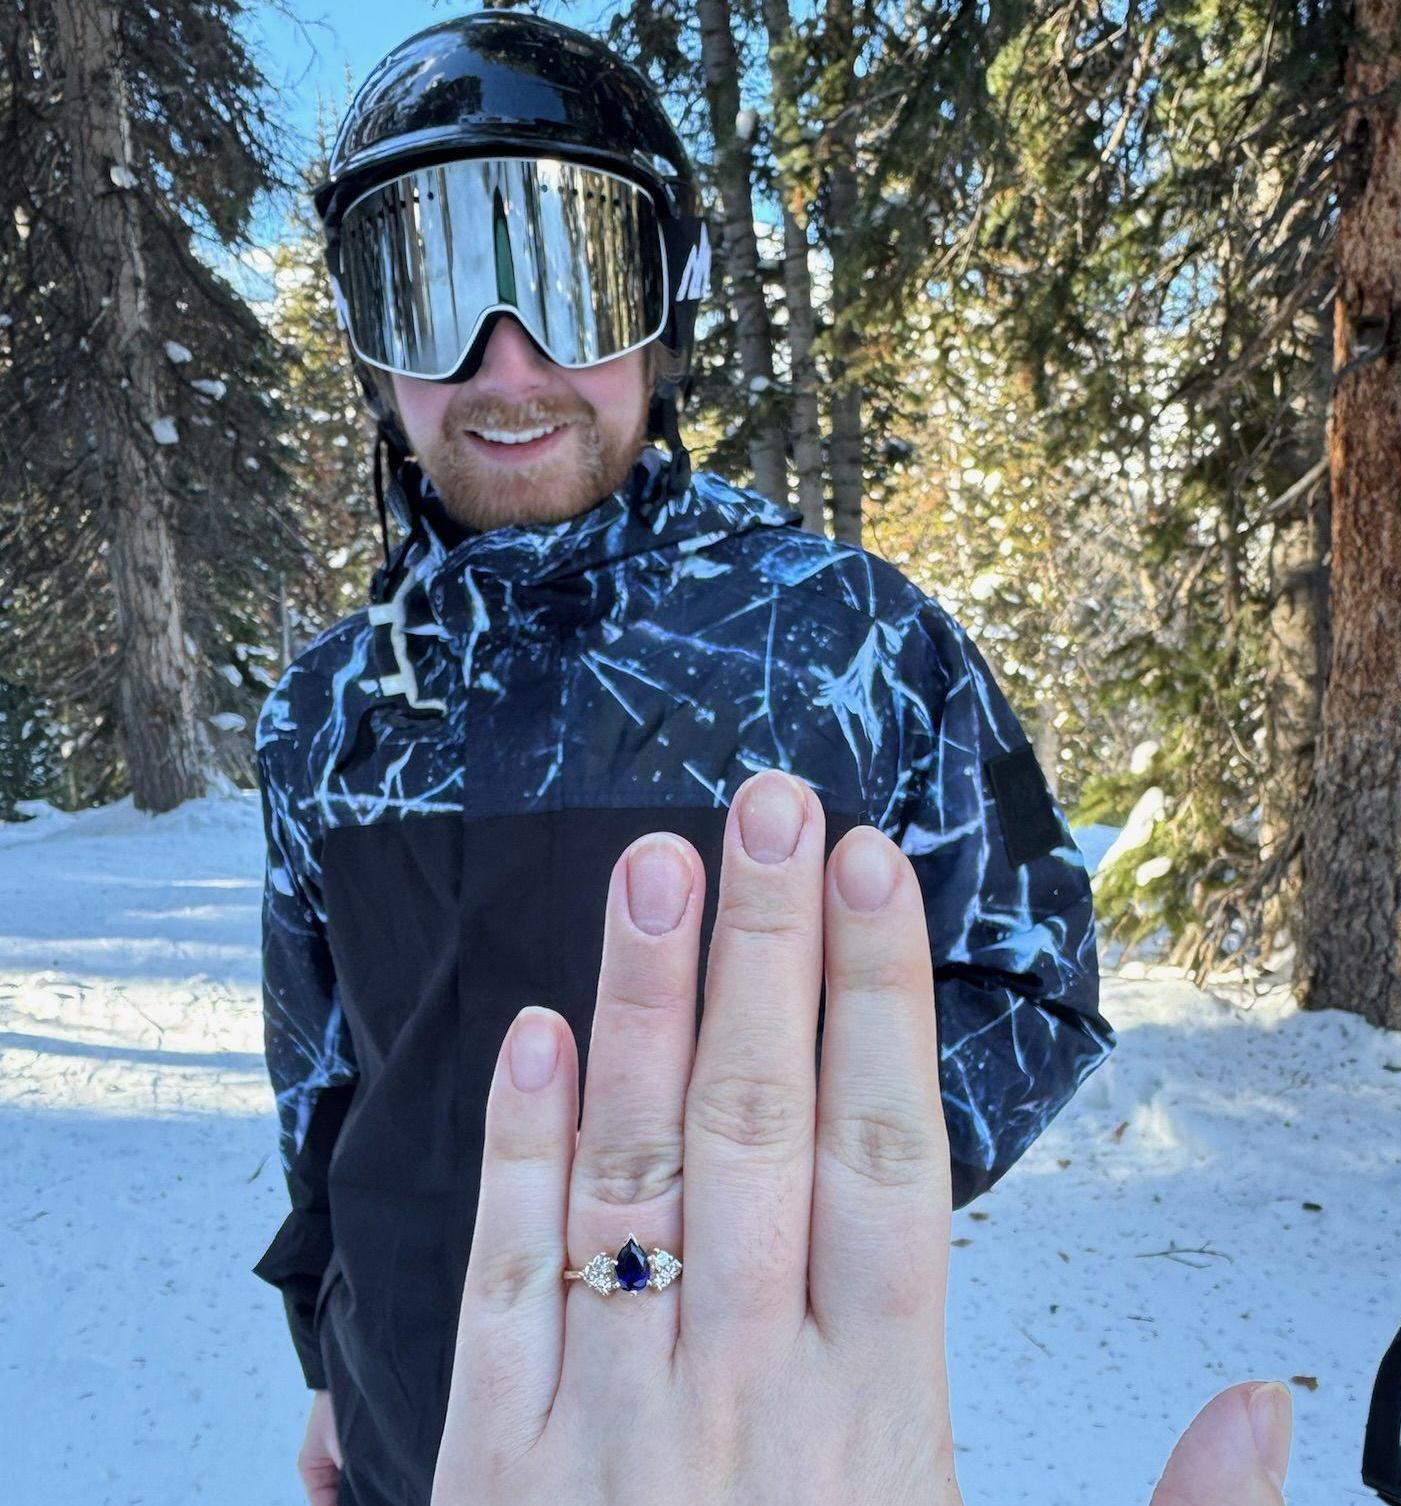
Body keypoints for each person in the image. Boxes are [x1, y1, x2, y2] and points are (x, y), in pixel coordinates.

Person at [251, 12, 1114, 1504]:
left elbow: (1027, 980)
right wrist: (331, 1358)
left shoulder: (849, 644)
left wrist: (756, 1216)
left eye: (573, 282)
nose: (504, 363)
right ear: (368, 342)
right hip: (418, 1442)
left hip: (727, 1445)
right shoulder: (328, 706)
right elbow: (322, 1081)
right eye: (430, 289)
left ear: (663, 311)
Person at [428, 776, 1295, 1505]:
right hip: (475, 1398)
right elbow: (325, 1071)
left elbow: (1040, 970)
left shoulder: (899, 636)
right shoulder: (343, 687)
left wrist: (850, 1208)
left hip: (567, 1405)